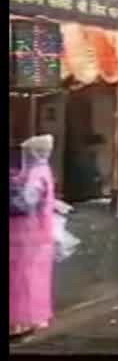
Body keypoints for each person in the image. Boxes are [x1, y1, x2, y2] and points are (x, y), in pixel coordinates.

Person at [9, 135, 60, 340]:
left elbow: (25, 202)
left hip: (27, 236)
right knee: (34, 280)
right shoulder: (42, 170)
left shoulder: (35, 173)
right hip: (38, 234)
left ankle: (21, 322)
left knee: (23, 281)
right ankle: (32, 319)